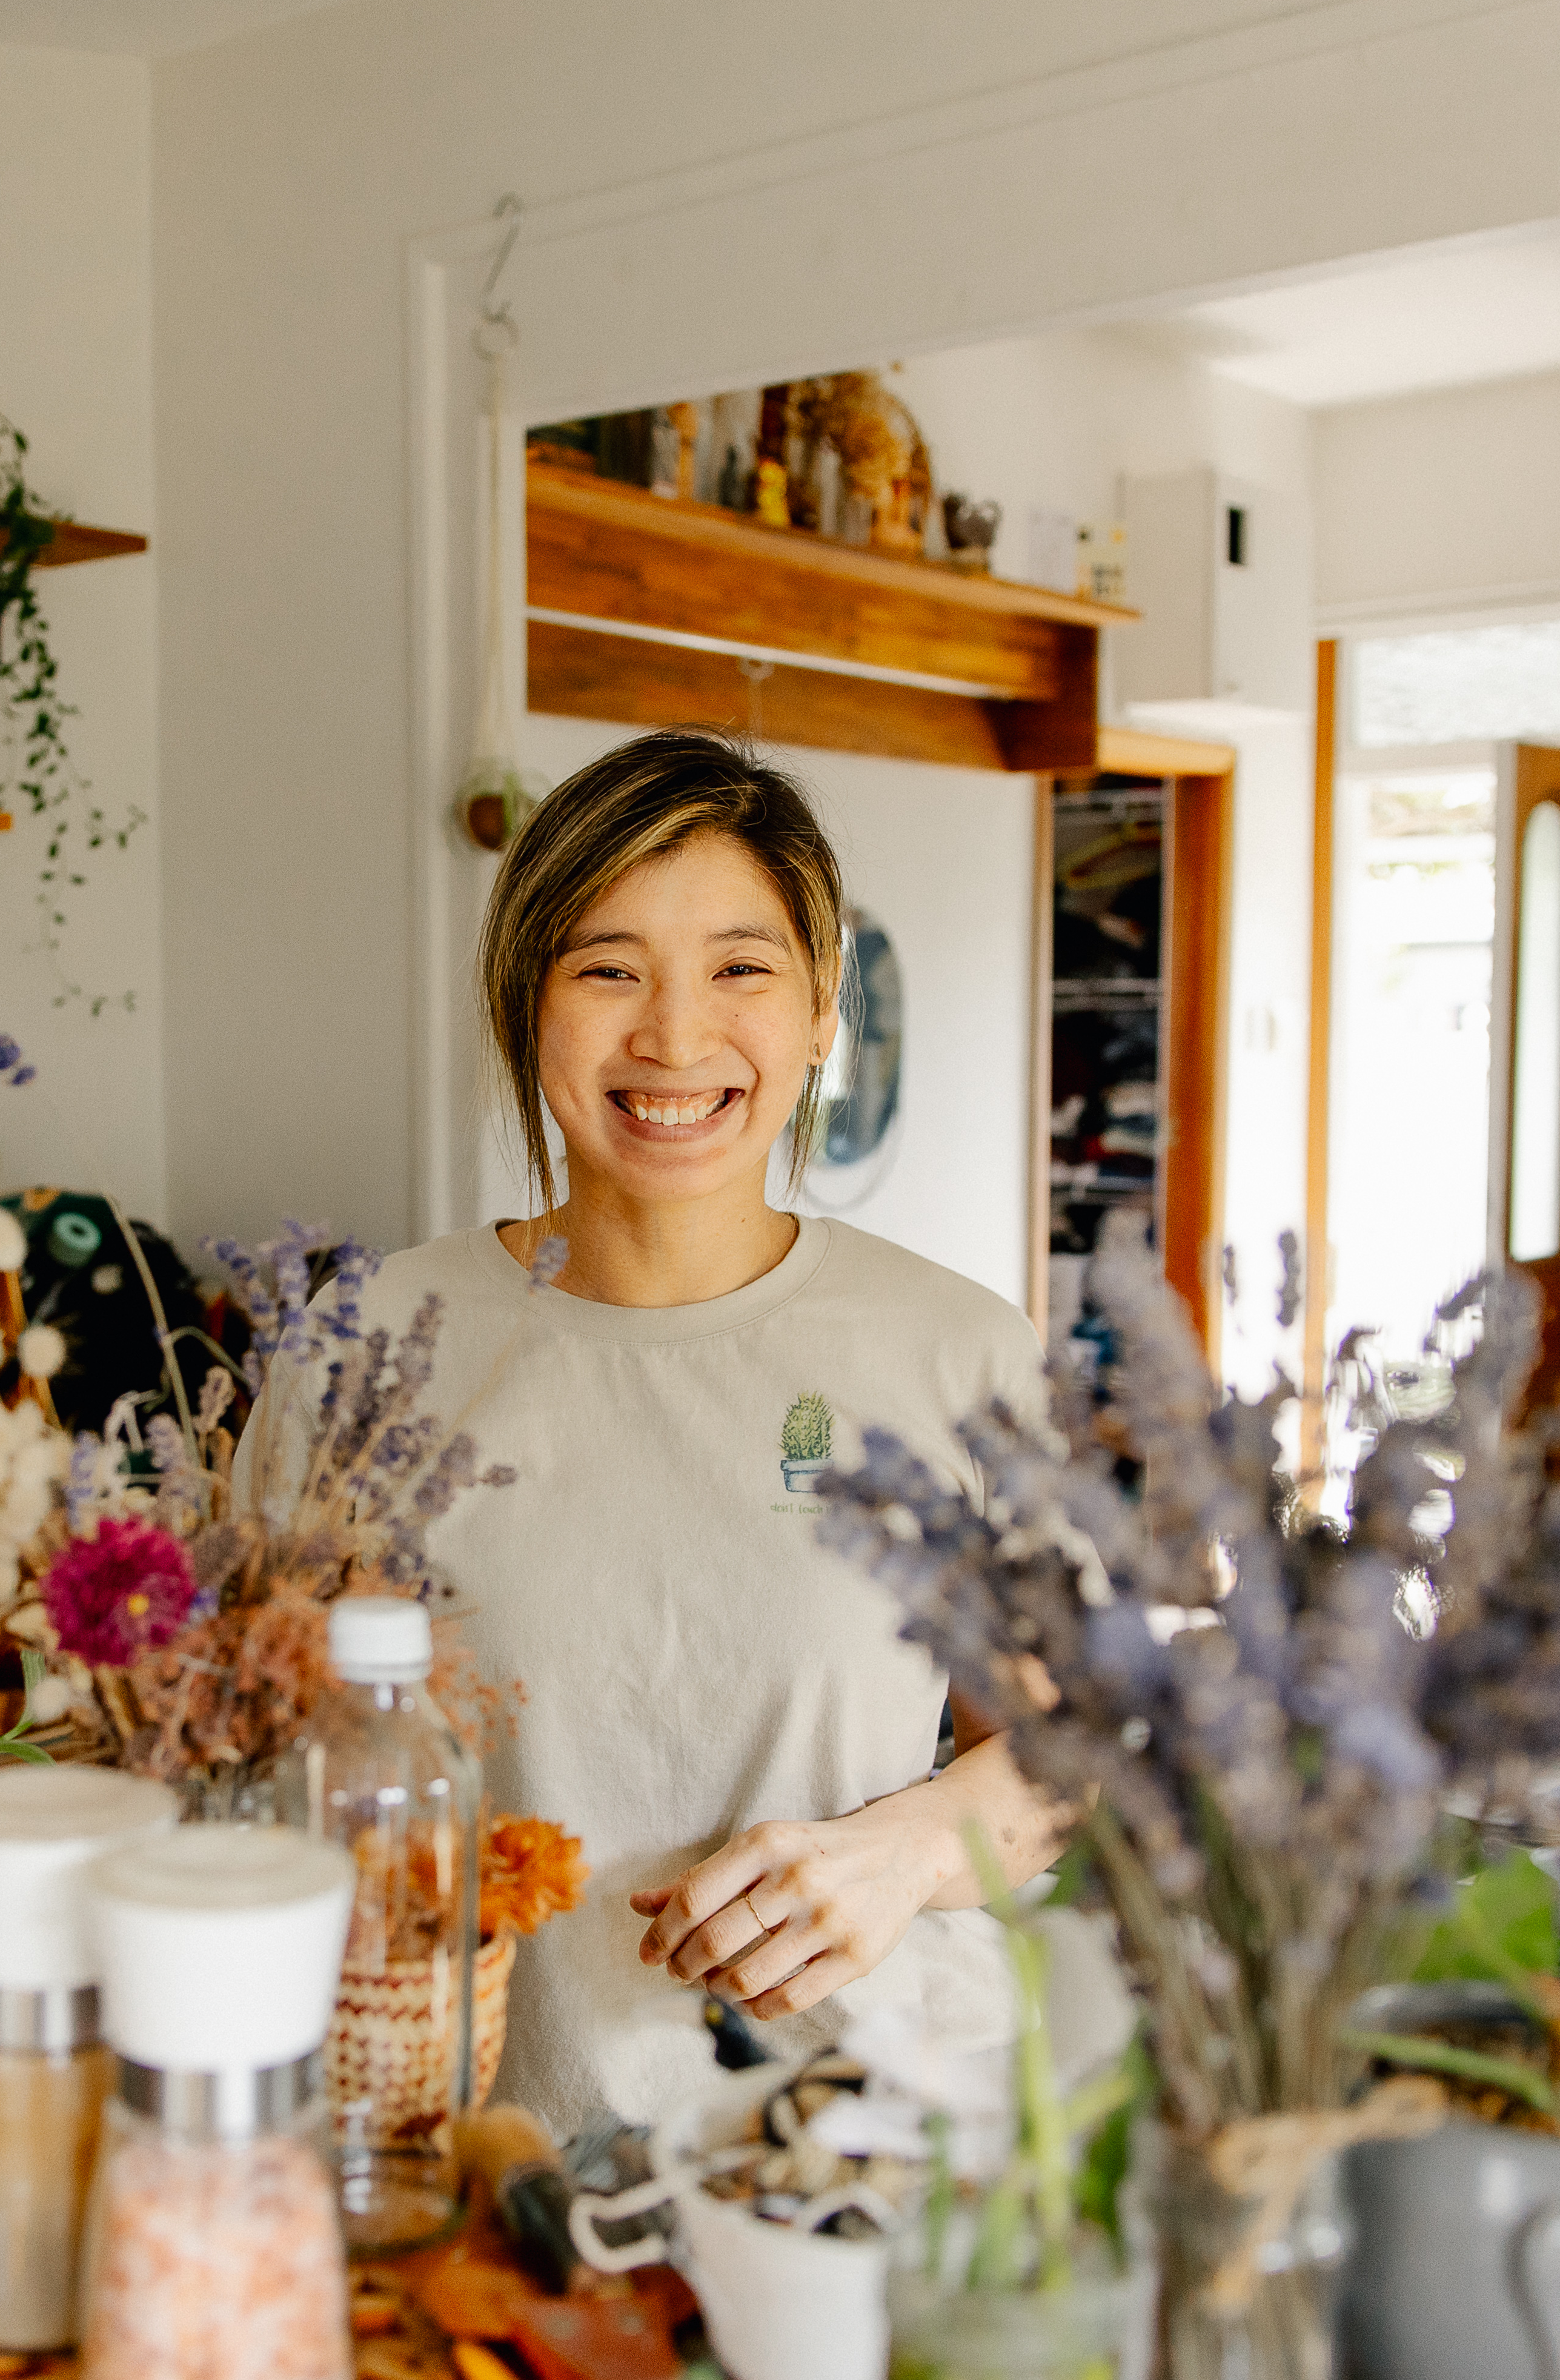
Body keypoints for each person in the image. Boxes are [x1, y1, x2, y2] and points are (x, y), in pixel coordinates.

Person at [293, 727, 1067, 2131]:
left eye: (738, 967)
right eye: (606, 968)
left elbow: (1074, 1763)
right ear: (525, 1000)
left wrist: (897, 1855)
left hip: (860, 2171)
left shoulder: (958, 1349)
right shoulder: (370, 1353)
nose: (672, 1036)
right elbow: (255, 1764)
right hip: (476, 2172)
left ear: (821, 1008)